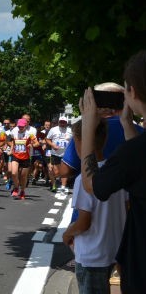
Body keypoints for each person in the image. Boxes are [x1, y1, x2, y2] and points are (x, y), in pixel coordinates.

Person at [80, 50, 146, 293]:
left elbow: (93, 185)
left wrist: (88, 125)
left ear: (133, 93)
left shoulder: (135, 151)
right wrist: (127, 124)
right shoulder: (136, 149)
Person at [63, 119, 127, 294]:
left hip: (92, 255)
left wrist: (67, 234)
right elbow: (127, 209)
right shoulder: (118, 171)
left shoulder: (83, 179)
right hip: (114, 248)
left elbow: (84, 222)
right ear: (104, 139)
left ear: (80, 142)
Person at [8, 118, 38, 200]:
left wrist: (31, 145)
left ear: (26, 126)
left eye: (22, 126)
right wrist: (11, 149)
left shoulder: (30, 134)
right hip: (16, 155)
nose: (20, 128)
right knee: (14, 173)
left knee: (23, 177)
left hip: (26, 157)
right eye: (19, 126)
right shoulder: (14, 131)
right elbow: (11, 141)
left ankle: (22, 191)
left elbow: (37, 143)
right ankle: (16, 187)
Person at [46, 116, 73, 192]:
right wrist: (52, 145)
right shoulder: (53, 130)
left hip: (66, 154)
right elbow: (47, 139)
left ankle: (63, 187)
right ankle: (54, 183)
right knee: (56, 172)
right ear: (58, 122)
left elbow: (75, 140)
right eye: (61, 122)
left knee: (65, 170)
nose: (62, 123)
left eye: (64, 122)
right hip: (55, 153)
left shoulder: (70, 130)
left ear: (66, 123)